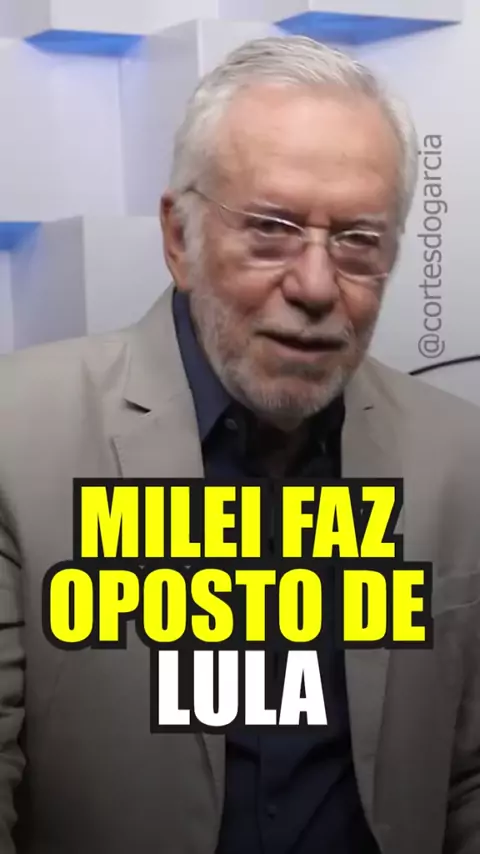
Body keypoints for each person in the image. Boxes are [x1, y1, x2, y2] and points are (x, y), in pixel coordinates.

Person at [0, 34, 478, 854]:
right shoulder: (17, 436)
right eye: (271, 228)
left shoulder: (460, 457)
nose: (316, 286)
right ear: (179, 239)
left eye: (358, 240)